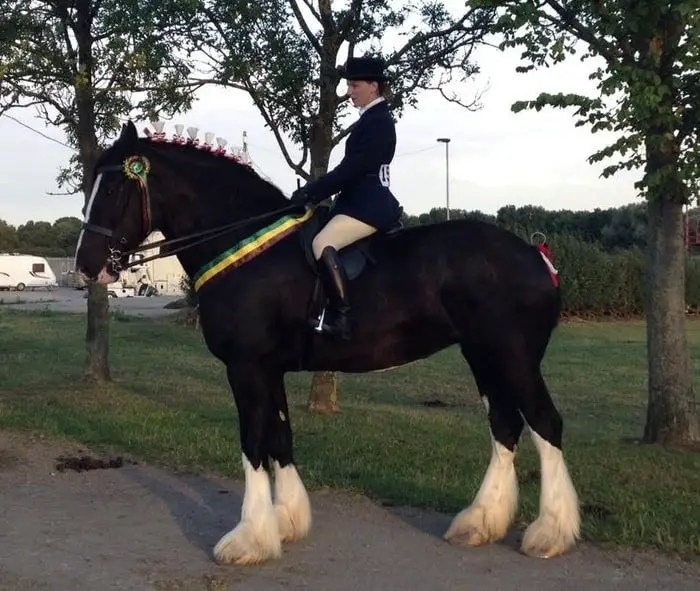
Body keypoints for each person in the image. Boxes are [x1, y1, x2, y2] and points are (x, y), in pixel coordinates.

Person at [290, 55, 402, 340]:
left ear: (373, 86)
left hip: (368, 205)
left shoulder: (378, 122)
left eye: (354, 86)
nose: (349, 92)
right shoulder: (372, 119)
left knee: (322, 242)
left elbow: (351, 170)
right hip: (357, 202)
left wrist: (311, 192)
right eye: (349, 86)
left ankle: (342, 317)